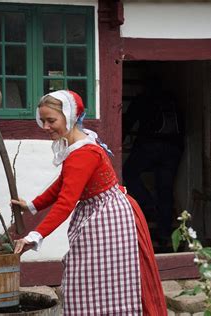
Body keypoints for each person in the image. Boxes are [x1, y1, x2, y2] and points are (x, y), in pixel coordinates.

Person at [11, 90, 167, 316]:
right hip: (103, 214)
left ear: (69, 117)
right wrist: (33, 205)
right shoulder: (79, 143)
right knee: (93, 279)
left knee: (98, 280)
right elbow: (63, 183)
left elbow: (66, 202)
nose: (45, 126)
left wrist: (34, 236)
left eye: (51, 120)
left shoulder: (83, 153)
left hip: (109, 220)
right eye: (42, 120)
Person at [122, 84, 183, 252]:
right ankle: (164, 233)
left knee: (129, 172)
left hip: (149, 146)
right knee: (165, 189)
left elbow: (128, 121)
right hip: (173, 148)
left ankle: (148, 205)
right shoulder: (171, 98)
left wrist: (118, 141)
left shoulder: (143, 98)